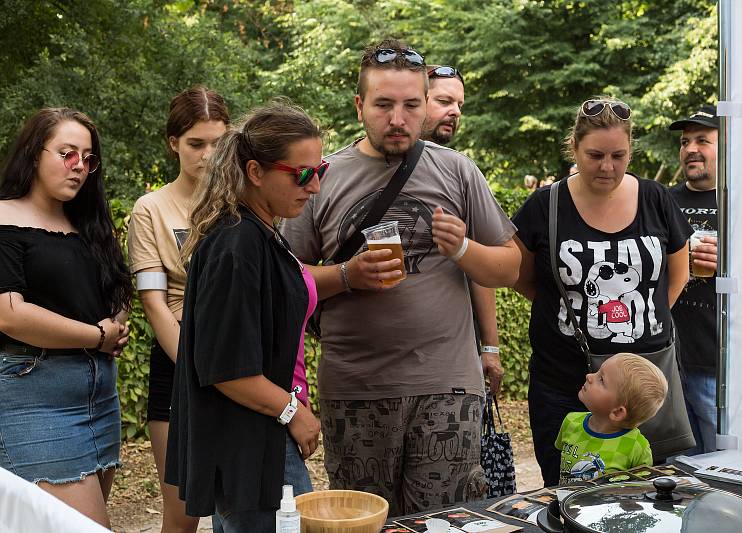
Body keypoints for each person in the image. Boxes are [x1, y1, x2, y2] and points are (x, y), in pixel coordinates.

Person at [281, 38, 520, 515]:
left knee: (445, 521)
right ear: (359, 106)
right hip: (355, 389)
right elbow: (285, 279)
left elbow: (511, 266)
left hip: (448, 384)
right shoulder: (322, 179)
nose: (398, 119)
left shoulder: (457, 172)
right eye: (384, 104)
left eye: (412, 105)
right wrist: (348, 275)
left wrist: (464, 248)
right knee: (366, 521)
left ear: (426, 103)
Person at [512, 98, 692, 486]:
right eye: (594, 155)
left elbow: (676, 275)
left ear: (630, 151)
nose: (607, 166)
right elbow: (524, 278)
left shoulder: (657, 199)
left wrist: (645, 318)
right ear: (574, 147)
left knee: (648, 495)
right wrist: (575, 313)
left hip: (646, 386)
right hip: (565, 384)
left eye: (618, 155)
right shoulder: (546, 205)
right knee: (566, 494)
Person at [164, 102, 323, 533]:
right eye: (302, 173)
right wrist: (295, 412)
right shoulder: (236, 244)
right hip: (249, 447)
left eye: (320, 169)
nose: (315, 186)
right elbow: (225, 370)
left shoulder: (260, 231)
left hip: (262, 439)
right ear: (255, 172)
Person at [0, 108, 133, 527]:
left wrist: (114, 323)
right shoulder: (4, 218)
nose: (80, 167)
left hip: (99, 394)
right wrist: (97, 335)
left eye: (88, 159)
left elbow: (117, 288)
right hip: (33, 393)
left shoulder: (90, 224)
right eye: (67, 153)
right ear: (33, 153)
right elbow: (10, 315)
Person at [127, 86, 229, 533]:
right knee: (184, 515)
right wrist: (195, 366)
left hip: (241, 363)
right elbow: (154, 302)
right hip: (178, 366)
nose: (207, 156)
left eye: (217, 143)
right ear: (173, 143)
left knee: (242, 504)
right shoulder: (151, 208)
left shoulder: (240, 203)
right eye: (195, 144)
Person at [421, 64, 503, 395]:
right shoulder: (358, 169)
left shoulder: (460, 172)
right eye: (443, 101)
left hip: (452, 361)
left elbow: (481, 265)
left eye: (459, 105)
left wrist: (491, 347)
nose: (455, 112)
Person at [668, 104, 719, 455]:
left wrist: (729, 262)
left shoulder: (741, 201)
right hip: (668, 360)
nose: (690, 149)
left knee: (725, 471)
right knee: (678, 473)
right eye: (685, 141)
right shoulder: (664, 200)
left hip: (719, 365)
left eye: (703, 139)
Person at [556, 353, 668, 485]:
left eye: (601, 380)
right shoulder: (571, 421)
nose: (589, 376)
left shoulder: (637, 447)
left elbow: (640, 490)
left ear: (617, 412)